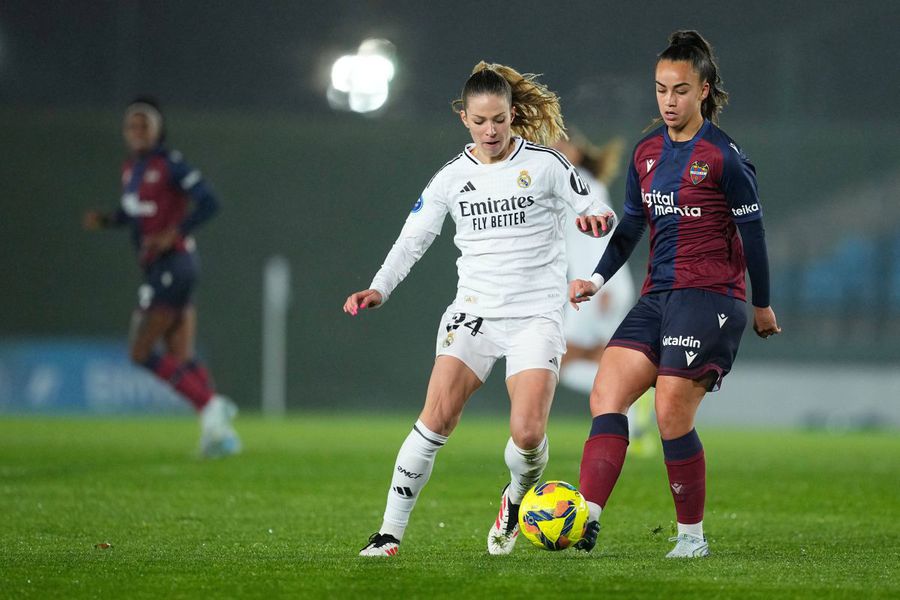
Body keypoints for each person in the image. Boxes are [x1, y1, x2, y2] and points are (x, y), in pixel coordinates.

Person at [344, 62, 616, 557]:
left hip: (536, 315)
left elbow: (594, 208)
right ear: (464, 119)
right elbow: (413, 239)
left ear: (514, 116)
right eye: (480, 120)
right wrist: (378, 287)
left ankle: (514, 502)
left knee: (528, 435)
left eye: (499, 119)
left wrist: (598, 221)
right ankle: (388, 534)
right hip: (473, 314)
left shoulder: (549, 165)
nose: (490, 130)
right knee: (436, 418)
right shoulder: (451, 177)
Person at [569, 31, 781, 558]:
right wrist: (595, 279)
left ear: (704, 90)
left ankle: (692, 539)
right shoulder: (645, 152)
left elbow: (753, 234)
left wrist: (761, 303)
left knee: (669, 413)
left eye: (681, 90)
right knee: (606, 394)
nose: (668, 100)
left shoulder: (725, 158)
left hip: (711, 296)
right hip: (658, 295)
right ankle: (585, 519)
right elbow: (631, 226)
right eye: (661, 89)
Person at [83, 97, 240, 458]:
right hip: (159, 267)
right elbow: (132, 214)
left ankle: (211, 406)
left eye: (144, 125)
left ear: (158, 130)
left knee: (139, 351)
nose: (137, 132)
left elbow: (210, 201)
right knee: (179, 354)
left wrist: (176, 231)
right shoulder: (131, 169)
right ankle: (218, 432)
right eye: (131, 126)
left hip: (175, 265)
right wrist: (106, 220)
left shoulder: (170, 164)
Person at [553, 135, 657, 458]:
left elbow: (600, 238)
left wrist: (603, 285)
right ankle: (632, 411)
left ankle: (632, 400)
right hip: (601, 283)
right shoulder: (584, 182)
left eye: (559, 144)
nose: (554, 149)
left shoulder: (580, 185)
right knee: (601, 357)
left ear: (575, 151)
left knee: (561, 361)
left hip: (595, 286)